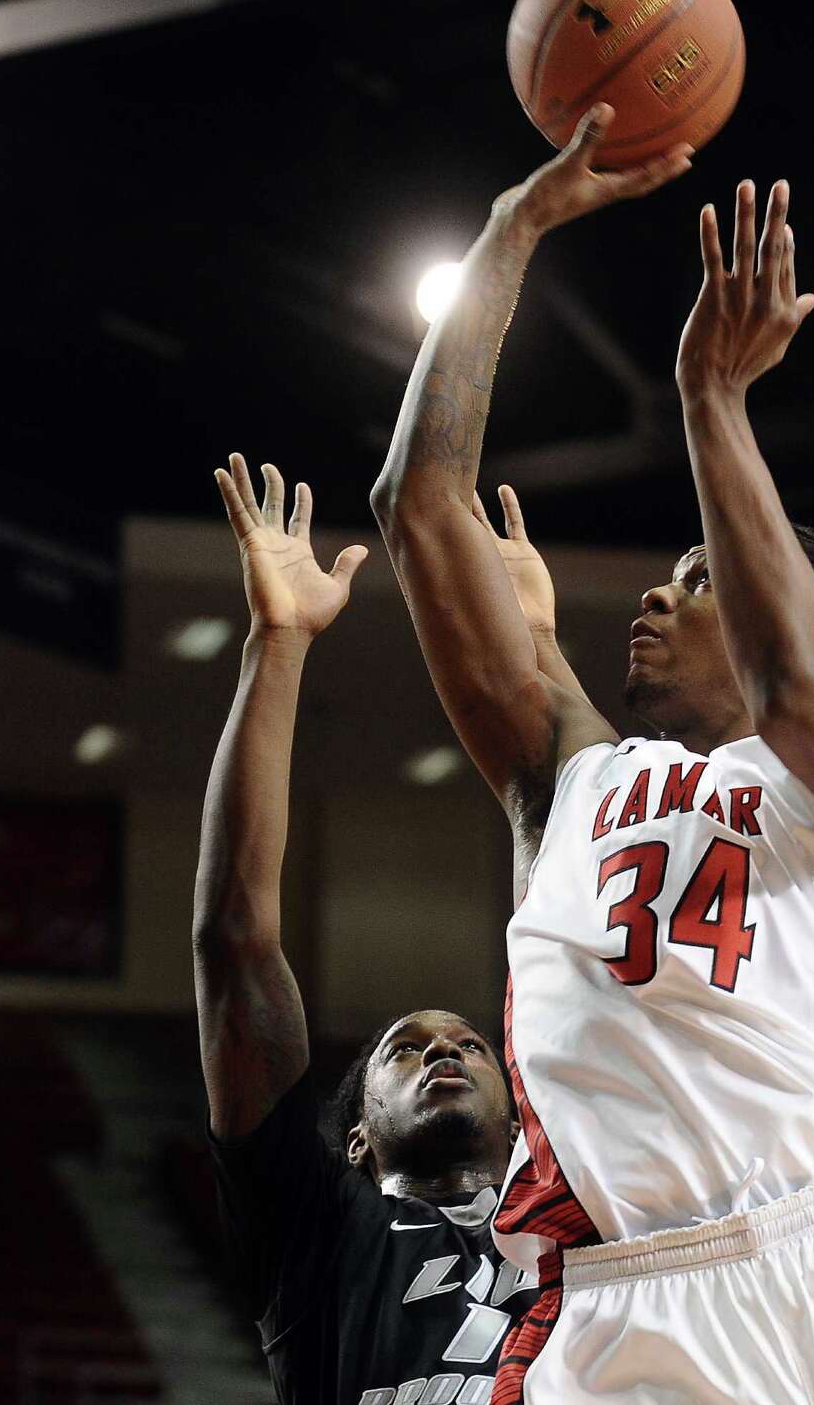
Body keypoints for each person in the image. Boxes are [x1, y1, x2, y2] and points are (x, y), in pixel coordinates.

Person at [372, 104, 814, 1403]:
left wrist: (711, 395)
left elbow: (799, 686)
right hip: (624, 1307)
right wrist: (509, 232)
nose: (657, 596)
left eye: (701, 577)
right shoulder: (574, 779)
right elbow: (416, 508)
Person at [193, 454, 538, 1405]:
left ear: (522, 1127)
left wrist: (536, 648)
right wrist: (280, 642)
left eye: (471, 1043)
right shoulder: (317, 1233)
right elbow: (236, 947)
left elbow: (580, 913)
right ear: (354, 1142)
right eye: (406, 1049)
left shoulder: (585, 1220)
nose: (447, 1051)